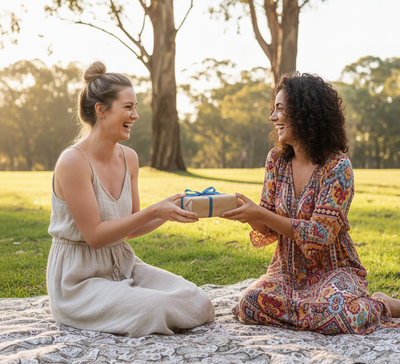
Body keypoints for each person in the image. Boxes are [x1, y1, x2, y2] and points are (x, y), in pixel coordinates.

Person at [221, 72, 400, 335]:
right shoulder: (276, 161)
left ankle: (381, 304)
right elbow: (267, 228)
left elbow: (319, 235)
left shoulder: (338, 168)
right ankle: (308, 308)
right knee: (249, 304)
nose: (273, 118)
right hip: (287, 272)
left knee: (337, 312)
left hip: (333, 271)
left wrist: (259, 213)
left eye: (280, 110)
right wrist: (246, 213)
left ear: (304, 113)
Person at [47, 61, 214, 337]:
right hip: (77, 281)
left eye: (135, 107)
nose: (135, 115)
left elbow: (131, 228)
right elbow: (95, 236)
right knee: (155, 308)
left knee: (199, 300)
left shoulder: (130, 158)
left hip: (122, 265)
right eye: (128, 107)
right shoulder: (73, 162)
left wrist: (167, 211)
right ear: (101, 110)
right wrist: (154, 211)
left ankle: (127, 299)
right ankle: (125, 303)